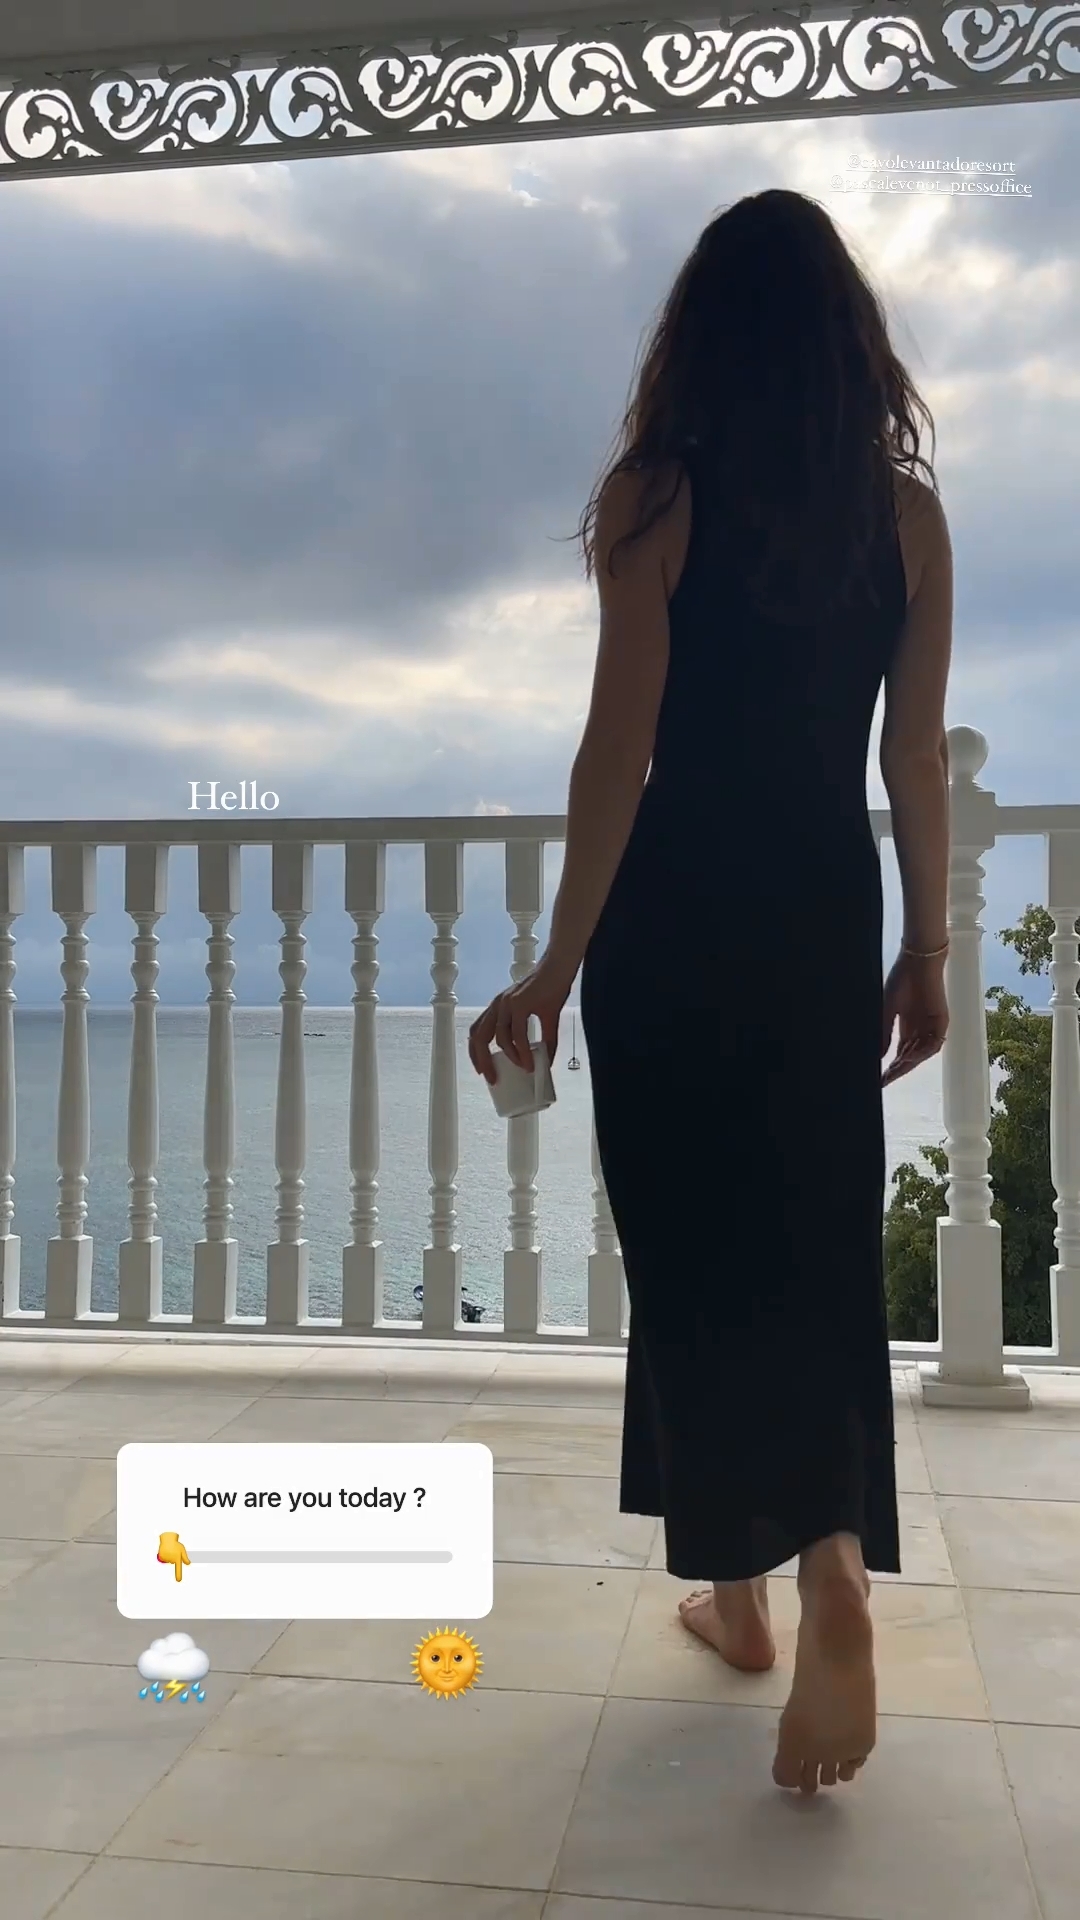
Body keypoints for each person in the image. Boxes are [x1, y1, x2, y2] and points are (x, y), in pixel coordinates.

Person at [468, 189, 951, 1796]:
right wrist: (927, 951)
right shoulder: (905, 517)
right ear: (846, 343)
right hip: (819, 910)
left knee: (693, 1254)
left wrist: (553, 965)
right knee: (811, 1242)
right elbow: (912, 760)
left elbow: (620, 751)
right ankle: (802, 1577)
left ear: (698, 339)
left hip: (670, 921)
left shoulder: (654, 497)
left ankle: (765, 1591)